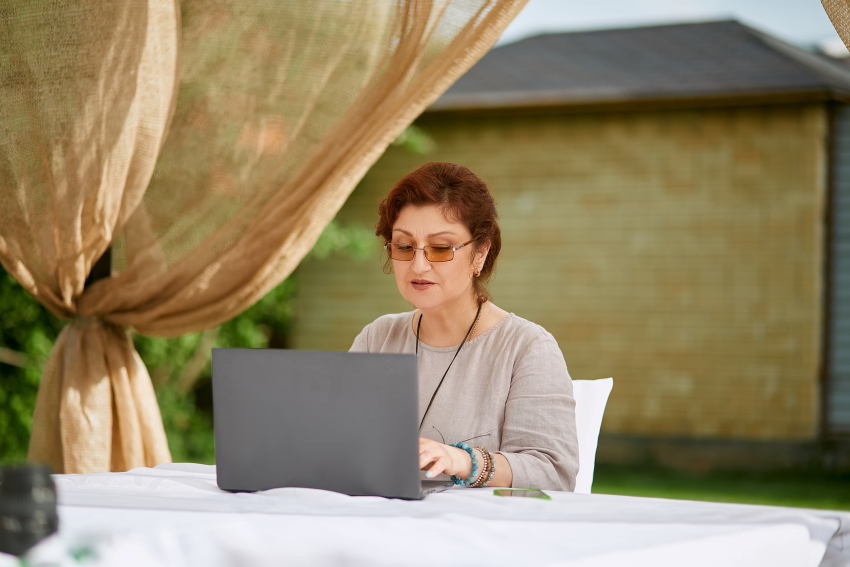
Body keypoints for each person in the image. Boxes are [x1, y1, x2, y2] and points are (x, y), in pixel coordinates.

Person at [350, 162, 579, 491]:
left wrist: (464, 461)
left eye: (441, 248)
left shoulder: (527, 347)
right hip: (382, 528)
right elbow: (342, 447)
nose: (418, 265)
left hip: (477, 536)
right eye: (403, 246)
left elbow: (553, 473)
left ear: (480, 253)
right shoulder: (377, 337)